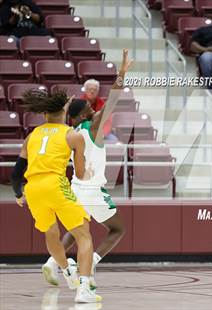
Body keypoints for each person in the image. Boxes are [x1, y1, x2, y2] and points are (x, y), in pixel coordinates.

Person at [41, 49, 132, 287]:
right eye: (88, 109)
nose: (93, 109)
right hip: (92, 189)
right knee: (118, 229)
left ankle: (53, 262)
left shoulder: (70, 132)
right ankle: (91, 261)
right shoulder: (92, 127)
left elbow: (60, 117)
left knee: (79, 227)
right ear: (82, 114)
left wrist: (69, 107)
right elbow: (113, 98)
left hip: (74, 188)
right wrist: (122, 71)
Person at [10, 89, 101, 303]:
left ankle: (66, 271)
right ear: (65, 111)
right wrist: (87, 171)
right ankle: (84, 289)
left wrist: (17, 194)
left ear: (44, 115)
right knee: (84, 235)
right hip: (55, 184)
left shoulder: (32, 136)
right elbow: (79, 174)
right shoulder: (72, 135)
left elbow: (16, 173)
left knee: (51, 234)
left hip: (33, 188)